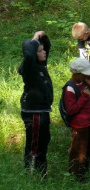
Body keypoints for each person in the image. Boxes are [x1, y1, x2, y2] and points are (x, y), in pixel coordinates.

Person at [19, 30, 53, 177]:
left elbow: (47, 47)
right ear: (33, 53)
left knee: (43, 142)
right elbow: (28, 55)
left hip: (43, 110)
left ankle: (42, 172)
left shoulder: (41, 65)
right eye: (40, 50)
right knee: (34, 145)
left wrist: (42, 38)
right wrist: (33, 39)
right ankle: (31, 174)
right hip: (34, 112)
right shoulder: (29, 68)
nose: (44, 52)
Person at [63, 58, 90, 181]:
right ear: (77, 74)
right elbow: (71, 110)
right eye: (85, 74)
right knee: (79, 151)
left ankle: (86, 171)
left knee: (88, 149)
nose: (88, 75)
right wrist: (84, 96)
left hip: (89, 122)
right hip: (79, 125)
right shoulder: (70, 89)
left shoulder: (84, 83)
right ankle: (76, 174)